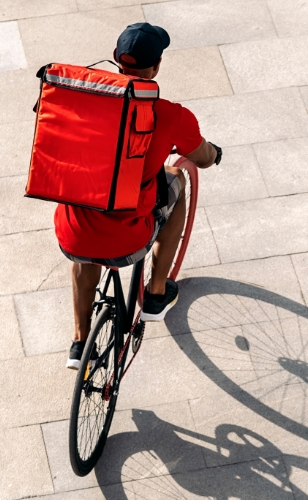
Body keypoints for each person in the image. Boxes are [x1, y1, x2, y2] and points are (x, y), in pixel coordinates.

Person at [55, 22, 220, 369]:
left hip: (73, 233)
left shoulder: (81, 98)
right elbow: (202, 158)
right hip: (129, 237)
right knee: (177, 180)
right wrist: (214, 153)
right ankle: (156, 294)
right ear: (156, 66)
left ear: (116, 59)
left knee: (84, 240)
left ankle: (79, 342)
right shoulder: (171, 115)